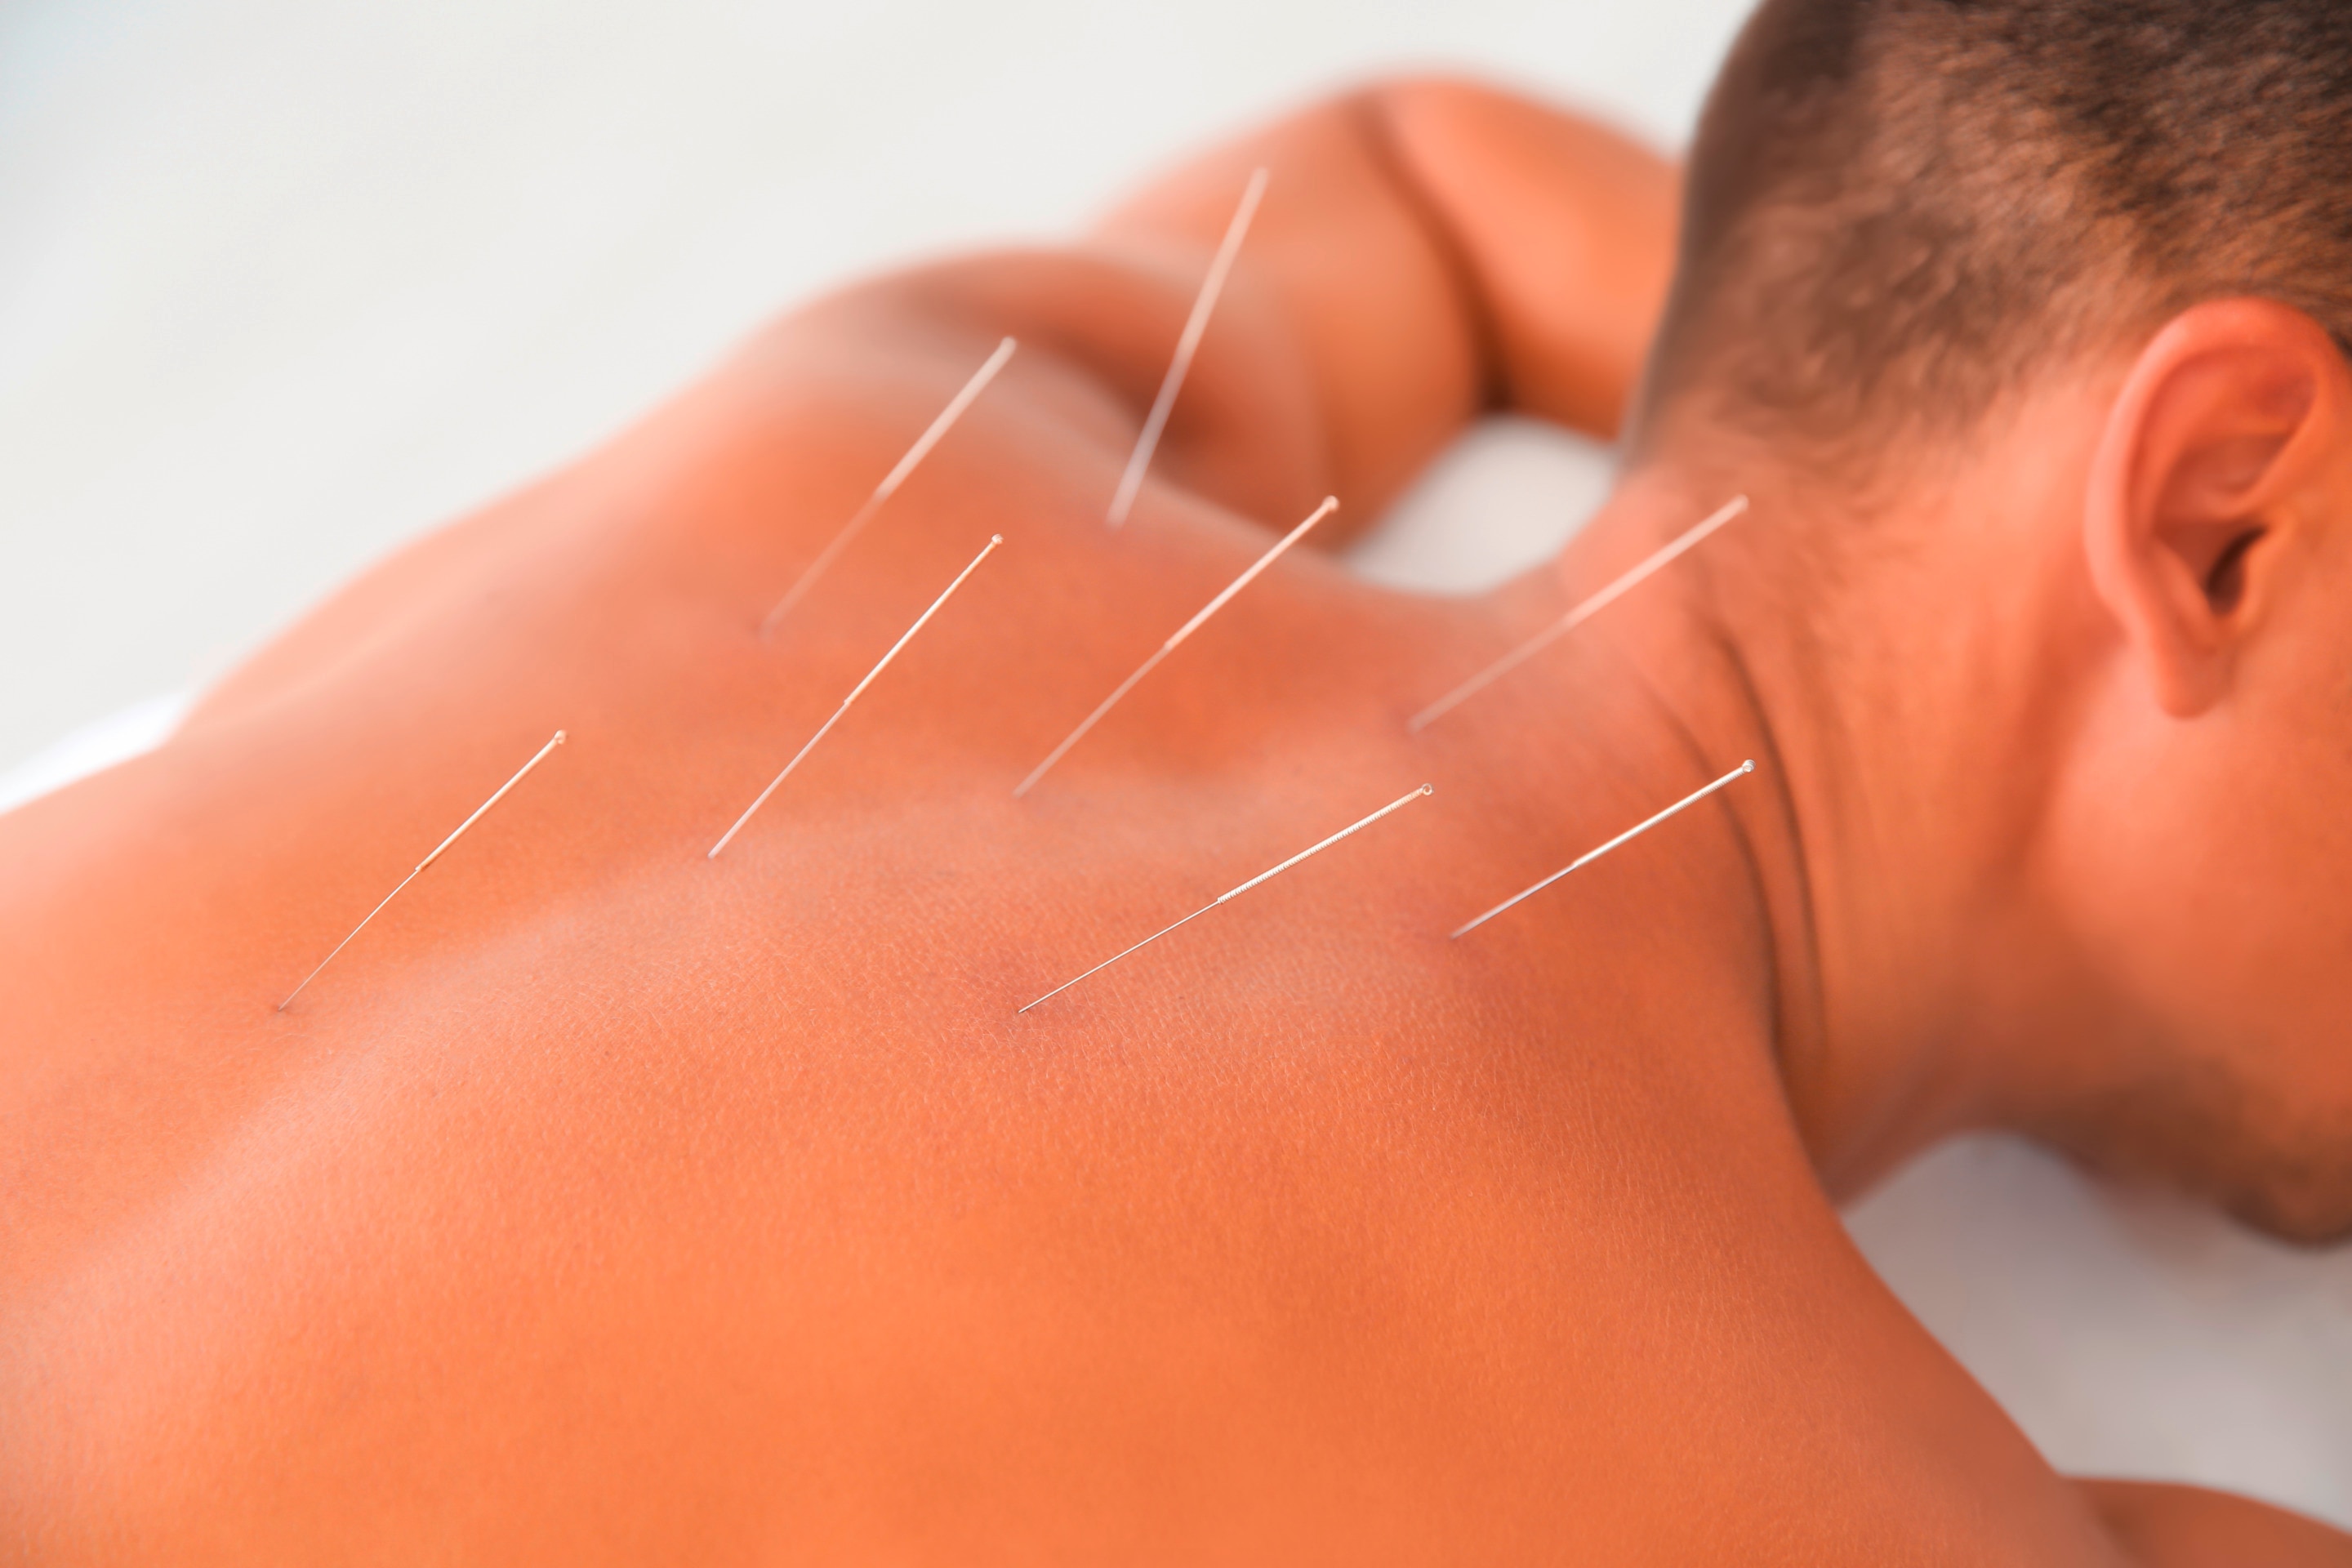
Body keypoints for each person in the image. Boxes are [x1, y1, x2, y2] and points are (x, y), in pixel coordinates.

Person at [5, 0, 2350, 1557]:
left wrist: (1918, 379)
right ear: (2221, 512)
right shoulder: (1846, 1505)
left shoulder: (911, 418)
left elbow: (1412, 169)